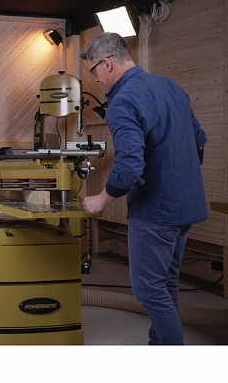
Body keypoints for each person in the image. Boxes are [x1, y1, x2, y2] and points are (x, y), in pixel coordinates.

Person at [81, 32, 207, 345]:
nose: (96, 80)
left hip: (156, 210)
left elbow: (128, 166)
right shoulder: (170, 86)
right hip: (187, 204)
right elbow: (199, 141)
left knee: (149, 290)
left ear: (107, 63)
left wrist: (102, 200)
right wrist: (179, 179)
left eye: (94, 71)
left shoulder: (123, 100)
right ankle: (159, 347)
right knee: (165, 283)